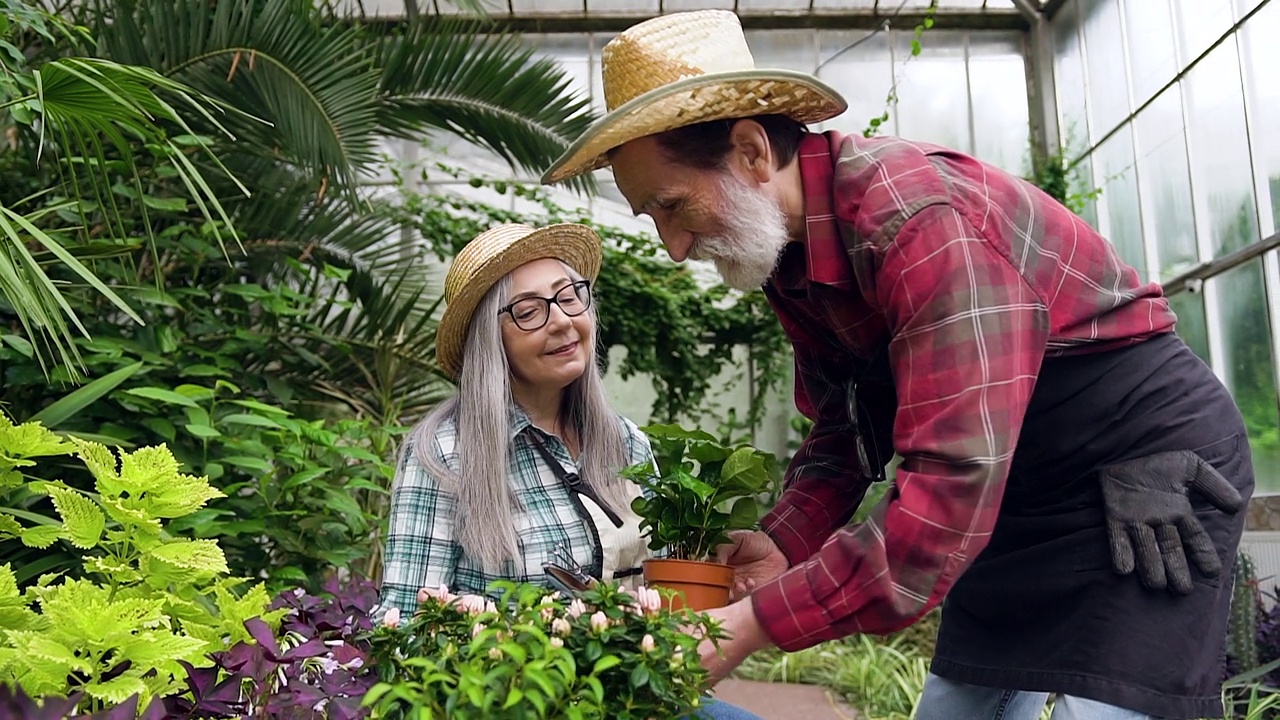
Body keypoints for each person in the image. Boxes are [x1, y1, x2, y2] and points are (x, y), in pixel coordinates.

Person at [541, 11, 1255, 720]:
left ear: (753, 152)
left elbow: (950, 481)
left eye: (672, 205)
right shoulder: (789, 259)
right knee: (955, 706)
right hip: (1011, 482)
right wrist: (781, 543)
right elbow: (845, 431)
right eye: (652, 218)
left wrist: (755, 623)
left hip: (1139, 470)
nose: (671, 246)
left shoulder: (916, 221)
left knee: (1106, 712)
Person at [378, 222, 760, 720]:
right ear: (490, 340)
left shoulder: (624, 442)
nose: (560, 321)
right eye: (529, 311)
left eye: (569, 297)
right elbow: (403, 628)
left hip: (633, 694)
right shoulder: (444, 454)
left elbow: (664, 593)